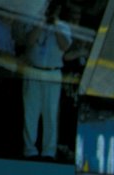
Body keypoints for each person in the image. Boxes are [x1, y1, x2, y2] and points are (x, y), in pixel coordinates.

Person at [21, 0, 72, 160]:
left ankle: (49, 151)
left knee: (50, 112)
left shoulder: (63, 26)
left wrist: (55, 25)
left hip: (52, 72)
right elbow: (29, 42)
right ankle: (30, 149)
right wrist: (42, 22)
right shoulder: (34, 22)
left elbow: (64, 46)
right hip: (34, 70)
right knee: (31, 111)